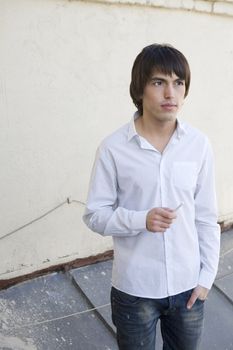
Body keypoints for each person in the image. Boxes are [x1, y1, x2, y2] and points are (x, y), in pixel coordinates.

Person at [83, 43, 220, 350]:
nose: (170, 93)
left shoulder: (198, 145)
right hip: (135, 289)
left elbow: (207, 216)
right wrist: (140, 219)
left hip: (188, 288)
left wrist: (206, 277)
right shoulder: (113, 148)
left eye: (178, 83)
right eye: (159, 82)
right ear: (140, 89)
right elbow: (94, 214)